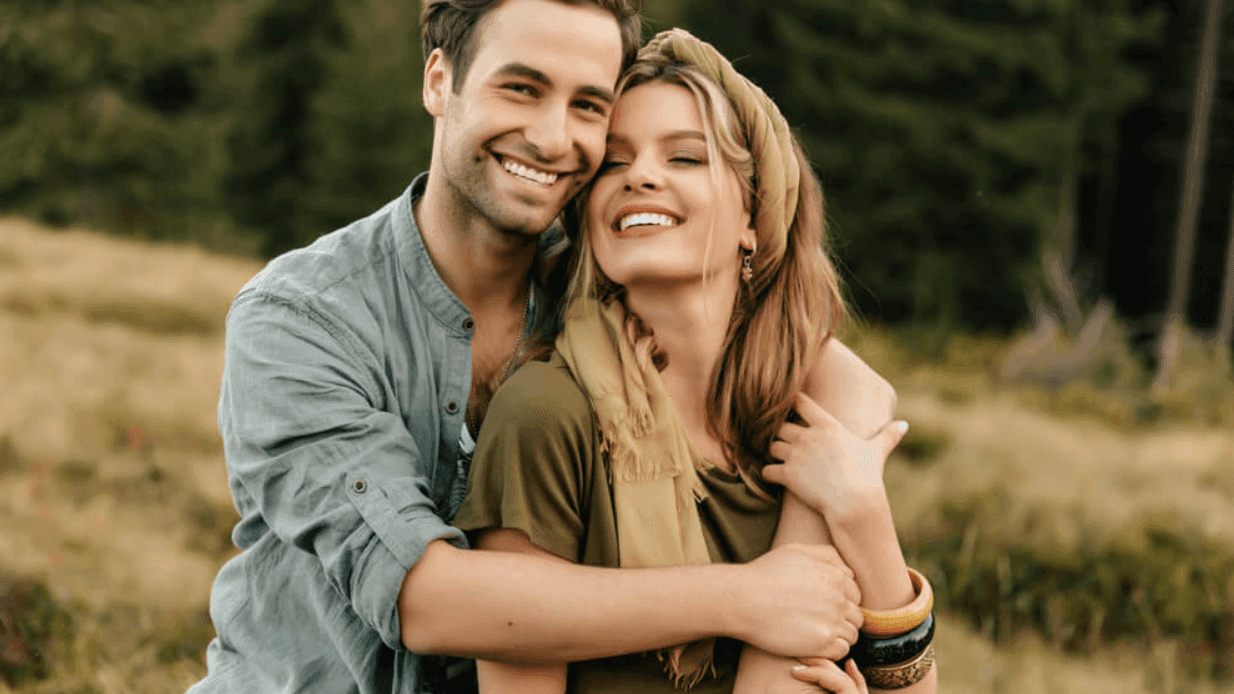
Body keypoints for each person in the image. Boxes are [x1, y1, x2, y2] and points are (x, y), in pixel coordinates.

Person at [188, 1, 899, 692]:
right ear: (440, 80)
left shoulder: (610, 286)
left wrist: (842, 509)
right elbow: (425, 601)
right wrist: (747, 598)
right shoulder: (301, 319)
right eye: (521, 88)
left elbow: (845, 381)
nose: (554, 138)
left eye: (589, 106)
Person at [453, 29, 938, 694]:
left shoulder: (802, 420)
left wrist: (862, 513)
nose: (641, 176)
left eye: (684, 157)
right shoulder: (547, 416)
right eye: (613, 164)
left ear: (756, 219)